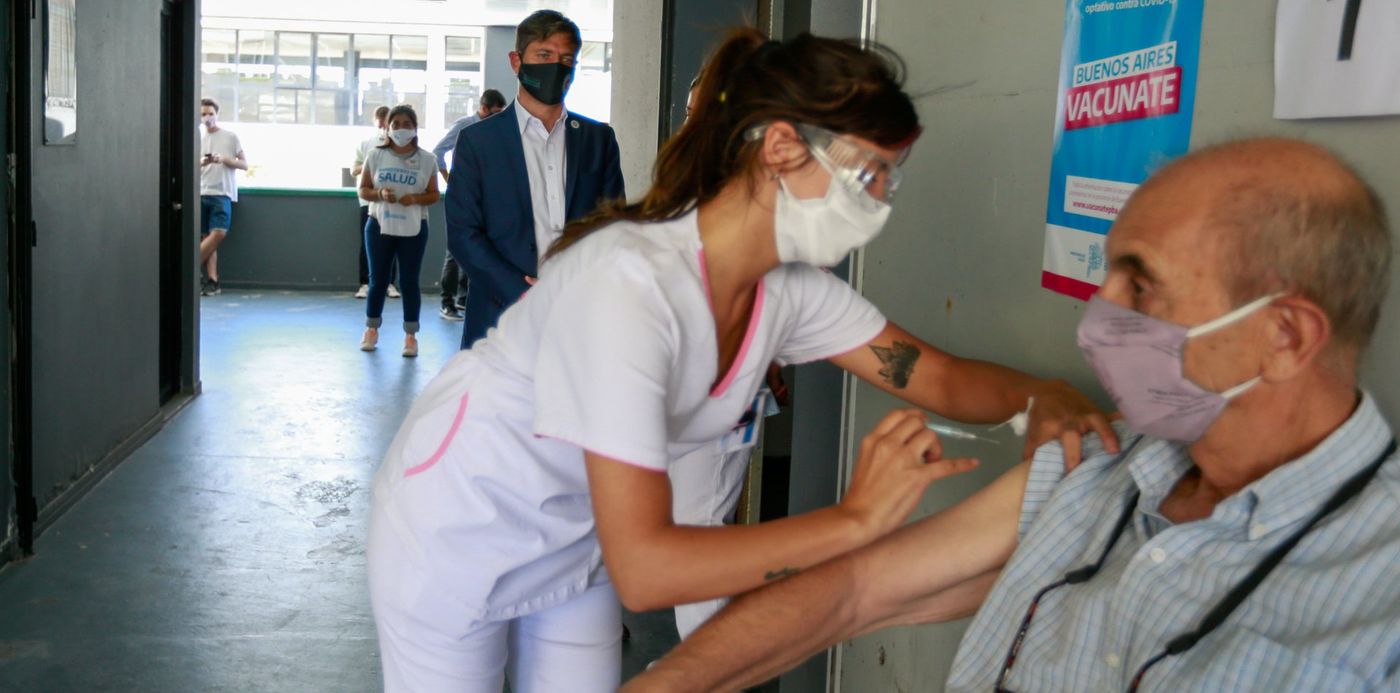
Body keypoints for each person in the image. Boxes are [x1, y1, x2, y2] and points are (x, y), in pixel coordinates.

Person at [368, 28, 1116, 693]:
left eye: (895, 177)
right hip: (460, 526)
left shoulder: (785, 290)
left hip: (576, 537)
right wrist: (855, 521)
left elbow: (936, 374)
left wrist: (1042, 394)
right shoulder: (628, 285)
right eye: (870, 174)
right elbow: (649, 569)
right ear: (784, 146)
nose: (885, 200)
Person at [624, 138, 1400, 692]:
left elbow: (940, 376)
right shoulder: (1106, 463)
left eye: (1142, 287)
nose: (1098, 319)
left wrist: (1036, 394)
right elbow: (857, 589)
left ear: (1284, 336)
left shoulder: (1376, 592)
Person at [444, 10, 626, 349]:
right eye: (544, 55)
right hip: (501, 319)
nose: (557, 66)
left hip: (579, 320)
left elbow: (613, 226)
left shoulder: (598, 139)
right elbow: (463, 234)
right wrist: (524, 295)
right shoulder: (478, 142)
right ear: (517, 61)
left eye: (566, 58)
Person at [357, 104, 440, 357]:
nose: (401, 129)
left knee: (409, 281)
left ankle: (411, 336)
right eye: (396, 124)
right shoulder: (375, 155)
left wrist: (414, 199)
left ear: (415, 128)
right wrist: (380, 194)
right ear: (387, 127)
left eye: (407, 124)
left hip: (414, 228)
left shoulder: (428, 160)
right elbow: (363, 190)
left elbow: (434, 194)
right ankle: (371, 329)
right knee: (378, 280)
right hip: (379, 225)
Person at [433, 88, 507, 321]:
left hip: (486, 196)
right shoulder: (464, 126)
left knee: (478, 246)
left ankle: (464, 299)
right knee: (455, 252)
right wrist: (450, 181)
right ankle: (447, 303)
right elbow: (438, 152)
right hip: (462, 196)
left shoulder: (497, 129)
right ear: (482, 108)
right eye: (493, 113)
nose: (497, 117)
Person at [199, 98, 247, 296]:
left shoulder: (230, 137)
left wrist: (225, 160)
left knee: (218, 232)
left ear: (217, 114)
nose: (207, 118)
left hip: (222, 193)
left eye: (210, 113)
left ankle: (188, 268)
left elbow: (244, 164)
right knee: (207, 238)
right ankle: (212, 280)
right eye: (203, 114)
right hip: (202, 192)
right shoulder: (198, 139)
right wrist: (203, 162)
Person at [352, 106, 399, 300]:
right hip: (368, 200)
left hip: (391, 200)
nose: (382, 128)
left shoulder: (398, 144)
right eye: (379, 124)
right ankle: (365, 283)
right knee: (367, 242)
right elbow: (353, 171)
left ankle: (389, 283)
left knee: (393, 241)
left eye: (385, 124)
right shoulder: (366, 143)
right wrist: (371, 163)